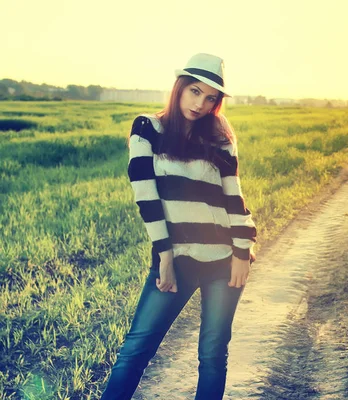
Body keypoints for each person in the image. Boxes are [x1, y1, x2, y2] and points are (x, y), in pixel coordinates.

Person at [100, 53, 257, 400]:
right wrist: (165, 256)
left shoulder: (220, 138)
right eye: (194, 92)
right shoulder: (148, 129)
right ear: (179, 88)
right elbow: (147, 199)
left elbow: (235, 199)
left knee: (213, 355)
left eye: (210, 98)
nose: (200, 104)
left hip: (223, 261)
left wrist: (243, 253)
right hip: (177, 258)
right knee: (136, 349)